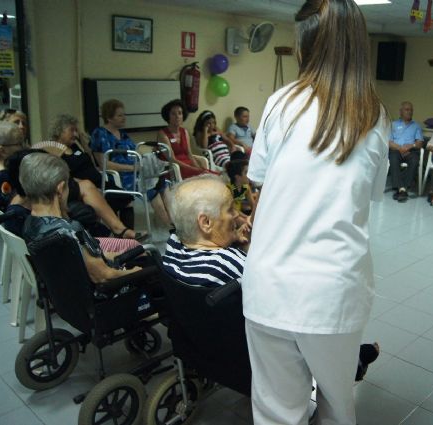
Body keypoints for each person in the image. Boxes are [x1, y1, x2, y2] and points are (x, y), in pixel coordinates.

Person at [242, 1, 389, 423]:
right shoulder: (373, 115)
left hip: (269, 286)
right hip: (332, 293)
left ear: (306, 45)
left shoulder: (280, 103)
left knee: (274, 411)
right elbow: (367, 196)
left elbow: (259, 181)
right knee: (337, 407)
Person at [162, 177, 379, 384]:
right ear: (206, 222)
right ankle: (349, 362)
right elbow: (279, 291)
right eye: (229, 209)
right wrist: (251, 246)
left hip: (200, 346)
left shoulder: (173, 247)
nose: (237, 215)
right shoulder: (228, 263)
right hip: (254, 352)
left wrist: (232, 240)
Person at [20, 153, 142, 283]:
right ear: (60, 189)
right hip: (100, 292)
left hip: (65, 289)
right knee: (146, 260)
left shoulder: (29, 225)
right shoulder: (70, 231)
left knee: (133, 250)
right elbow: (104, 276)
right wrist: (137, 271)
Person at [48, 114, 144, 239]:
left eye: (76, 130)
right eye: (71, 130)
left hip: (99, 181)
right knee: (115, 198)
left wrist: (85, 146)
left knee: (127, 198)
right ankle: (122, 234)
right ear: (59, 131)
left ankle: (127, 236)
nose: (75, 134)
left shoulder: (75, 146)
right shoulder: (53, 150)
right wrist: (91, 187)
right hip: (85, 187)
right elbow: (62, 176)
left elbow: (93, 165)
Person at [90, 99, 172, 228]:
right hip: (119, 176)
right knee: (151, 187)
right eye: (120, 115)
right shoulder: (99, 134)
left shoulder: (122, 134)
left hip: (136, 171)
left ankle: (173, 222)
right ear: (109, 118)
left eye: (124, 114)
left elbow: (135, 152)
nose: (124, 118)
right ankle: (171, 227)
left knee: (162, 182)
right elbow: (104, 164)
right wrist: (132, 168)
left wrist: (150, 156)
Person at [157, 99, 213, 179]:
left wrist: (198, 168)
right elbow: (172, 159)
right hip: (175, 168)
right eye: (173, 114)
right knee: (208, 177)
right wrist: (194, 170)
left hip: (189, 166)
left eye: (180, 113)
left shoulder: (184, 131)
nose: (177, 116)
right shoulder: (163, 134)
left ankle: (233, 189)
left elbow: (189, 155)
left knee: (216, 175)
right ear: (168, 116)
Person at [388, 101, 423, 202]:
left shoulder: (416, 126)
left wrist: (411, 146)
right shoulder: (393, 125)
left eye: (411, 110)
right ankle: (402, 189)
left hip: (410, 151)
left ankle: (401, 188)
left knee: (415, 160)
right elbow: (389, 142)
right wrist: (400, 148)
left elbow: (420, 143)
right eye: (407, 109)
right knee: (393, 159)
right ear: (401, 111)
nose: (409, 112)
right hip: (396, 150)